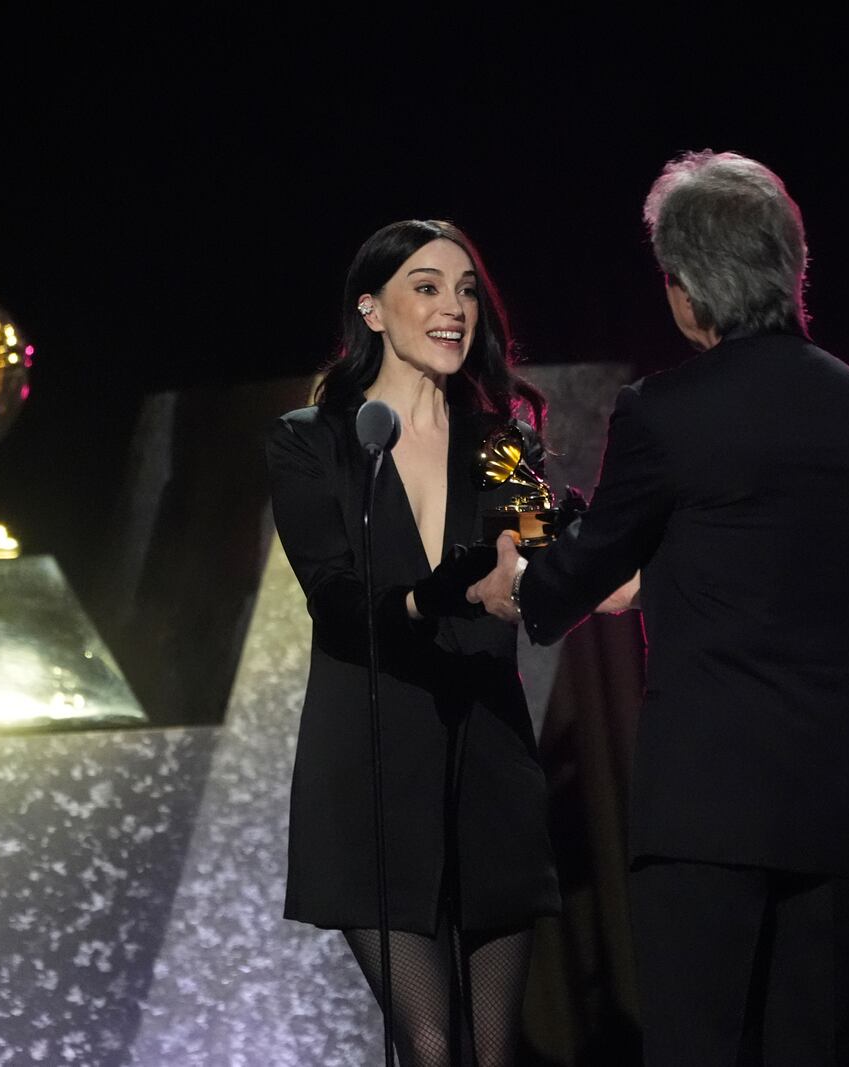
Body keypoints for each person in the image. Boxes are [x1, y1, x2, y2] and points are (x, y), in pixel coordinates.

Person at [470, 152, 849, 1066]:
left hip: (704, 811)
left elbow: (568, 580)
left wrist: (512, 475)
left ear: (689, 290)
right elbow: (723, 562)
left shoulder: (667, 414)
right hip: (829, 810)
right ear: (790, 265)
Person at [264, 219, 561, 1067]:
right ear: (374, 310)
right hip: (369, 769)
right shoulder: (313, 440)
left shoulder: (502, 447)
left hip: (489, 765)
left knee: (493, 1051)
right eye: (426, 287)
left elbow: (543, 552)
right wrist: (452, 588)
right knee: (431, 1043)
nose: (453, 308)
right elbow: (332, 596)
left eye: (466, 289)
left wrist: (567, 563)